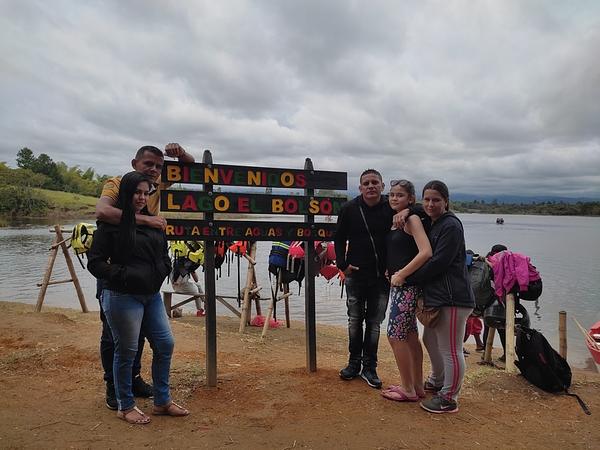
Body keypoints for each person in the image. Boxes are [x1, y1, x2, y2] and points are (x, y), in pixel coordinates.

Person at [95, 144, 195, 410]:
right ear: (134, 163)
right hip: (118, 269)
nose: (153, 171)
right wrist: (147, 221)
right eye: (148, 164)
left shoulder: (156, 185)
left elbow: (190, 167)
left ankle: (134, 380)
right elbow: (103, 212)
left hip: (146, 276)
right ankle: (114, 388)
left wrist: (181, 153)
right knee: (114, 335)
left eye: (158, 167)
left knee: (145, 336)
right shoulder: (117, 184)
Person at [404, 180, 474, 414]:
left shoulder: (450, 225)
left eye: (436, 199)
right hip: (439, 297)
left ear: (446, 201)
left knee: (451, 349)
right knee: (430, 341)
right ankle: (437, 380)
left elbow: (439, 262)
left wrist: (407, 277)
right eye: (427, 199)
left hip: (453, 298)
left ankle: (449, 397)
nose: (430, 204)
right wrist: (408, 209)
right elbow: (411, 208)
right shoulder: (434, 223)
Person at [334, 169, 394, 389]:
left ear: (382, 186)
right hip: (356, 274)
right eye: (366, 183)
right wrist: (342, 265)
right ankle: (353, 364)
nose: (371, 186)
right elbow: (338, 238)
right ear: (360, 188)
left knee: (374, 323)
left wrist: (405, 213)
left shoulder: (391, 206)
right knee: (354, 320)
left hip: (381, 277)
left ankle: (370, 367)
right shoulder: (349, 209)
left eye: (374, 182)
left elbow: (416, 207)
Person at [381, 179, 432, 402]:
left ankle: (408, 389)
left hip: (407, 287)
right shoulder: (398, 219)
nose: (394, 198)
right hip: (401, 286)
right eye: (391, 194)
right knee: (410, 335)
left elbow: (426, 252)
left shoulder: (411, 218)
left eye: (400, 195)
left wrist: (401, 273)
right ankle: (417, 386)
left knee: (395, 336)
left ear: (410, 199)